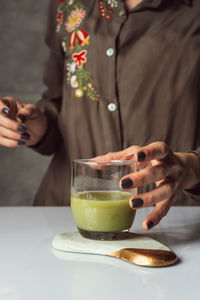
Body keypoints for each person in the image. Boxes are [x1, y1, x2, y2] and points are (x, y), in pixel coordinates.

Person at [0, 0, 200, 230]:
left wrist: (192, 167)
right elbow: (58, 100)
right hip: (63, 217)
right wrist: (38, 126)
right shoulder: (66, 5)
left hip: (174, 224)